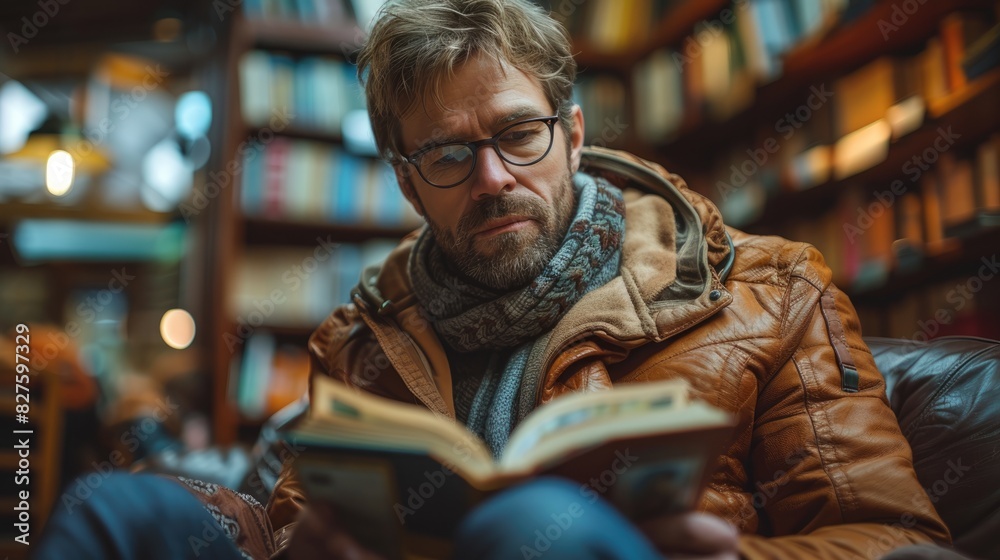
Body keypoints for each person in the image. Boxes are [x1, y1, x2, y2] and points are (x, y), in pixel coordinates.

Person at [34, 1, 954, 559]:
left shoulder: (771, 290)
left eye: (519, 134)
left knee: (531, 528)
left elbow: (898, 541)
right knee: (118, 510)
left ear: (576, 135)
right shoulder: (361, 342)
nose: (492, 178)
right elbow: (294, 525)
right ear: (404, 180)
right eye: (446, 154)